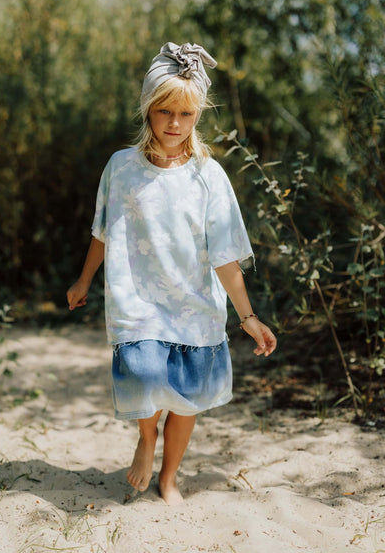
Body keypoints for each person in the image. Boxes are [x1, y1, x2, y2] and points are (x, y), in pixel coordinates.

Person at [67, 42, 277, 506]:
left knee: (187, 399)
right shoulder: (121, 168)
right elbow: (103, 231)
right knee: (144, 376)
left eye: (185, 113)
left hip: (194, 307)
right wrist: (84, 281)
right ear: (148, 109)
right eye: (164, 111)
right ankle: (146, 439)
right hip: (136, 300)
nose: (174, 123)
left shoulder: (209, 175)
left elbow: (224, 256)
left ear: (197, 114)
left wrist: (248, 318)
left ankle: (170, 476)